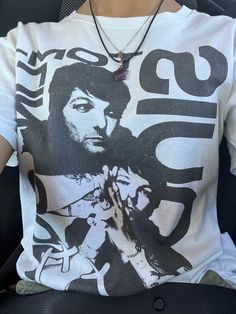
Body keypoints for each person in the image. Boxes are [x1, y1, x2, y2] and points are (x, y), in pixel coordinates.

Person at [0, 0, 236, 305]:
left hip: (196, 284)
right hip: (57, 292)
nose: (101, 124)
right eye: (84, 108)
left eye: (111, 112)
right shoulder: (21, 47)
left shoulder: (226, 39)